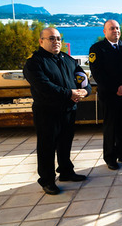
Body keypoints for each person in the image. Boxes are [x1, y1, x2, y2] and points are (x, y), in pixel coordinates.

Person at [23, 27, 92, 195]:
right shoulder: (34, 62)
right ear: (41, 41)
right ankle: (47, 180)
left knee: (65, 143)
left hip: (68, 109)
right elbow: (44, 86)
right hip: (47, 111)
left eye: (58, 39)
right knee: (47, 146)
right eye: (51, 38)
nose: (56, 42)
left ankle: (66, 172)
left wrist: (85, 90)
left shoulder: (67, 59)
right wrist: (69, 93)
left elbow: (81, 78)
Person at [89, 20, 122, 170]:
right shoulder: (97, 49)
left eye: (117, 28)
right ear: (105, 32)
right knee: (111, 127)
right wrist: (116, 88)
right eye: (112, 28)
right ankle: (110, 157)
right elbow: (98, 74)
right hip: (109, 94)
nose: (115, 31)